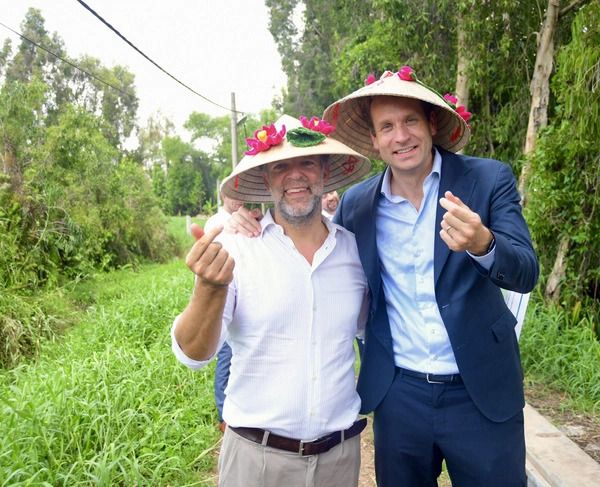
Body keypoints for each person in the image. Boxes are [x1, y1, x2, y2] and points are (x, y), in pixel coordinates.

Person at [228, 67, 539, 486]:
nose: (401, 136)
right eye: (386, 126)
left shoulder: (487, 178)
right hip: (399, 397)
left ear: (431, 124)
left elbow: (526, 271)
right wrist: (242, 221)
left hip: (479, 392)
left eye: (410, 120)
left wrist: (484, 244)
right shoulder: (357, 205)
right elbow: (303, 226)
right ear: (374, 141)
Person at [170, 114, 371, 486]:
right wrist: (208, 288)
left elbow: (368, 331)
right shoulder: (235, 249)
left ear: (325, 172)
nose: (295, 175)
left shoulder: (355, 251)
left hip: (339, 462)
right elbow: (192, 356)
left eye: (307, 162)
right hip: (256, 462)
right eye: (280, 166)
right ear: (265, 179)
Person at [203, 193, 244, 433]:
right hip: (224, 296)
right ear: (223, 195)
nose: (238, 199)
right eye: (233, 194)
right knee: (226, 358)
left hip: (246, 296)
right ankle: (223, 415)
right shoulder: (216, 223)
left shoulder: (247, 218)